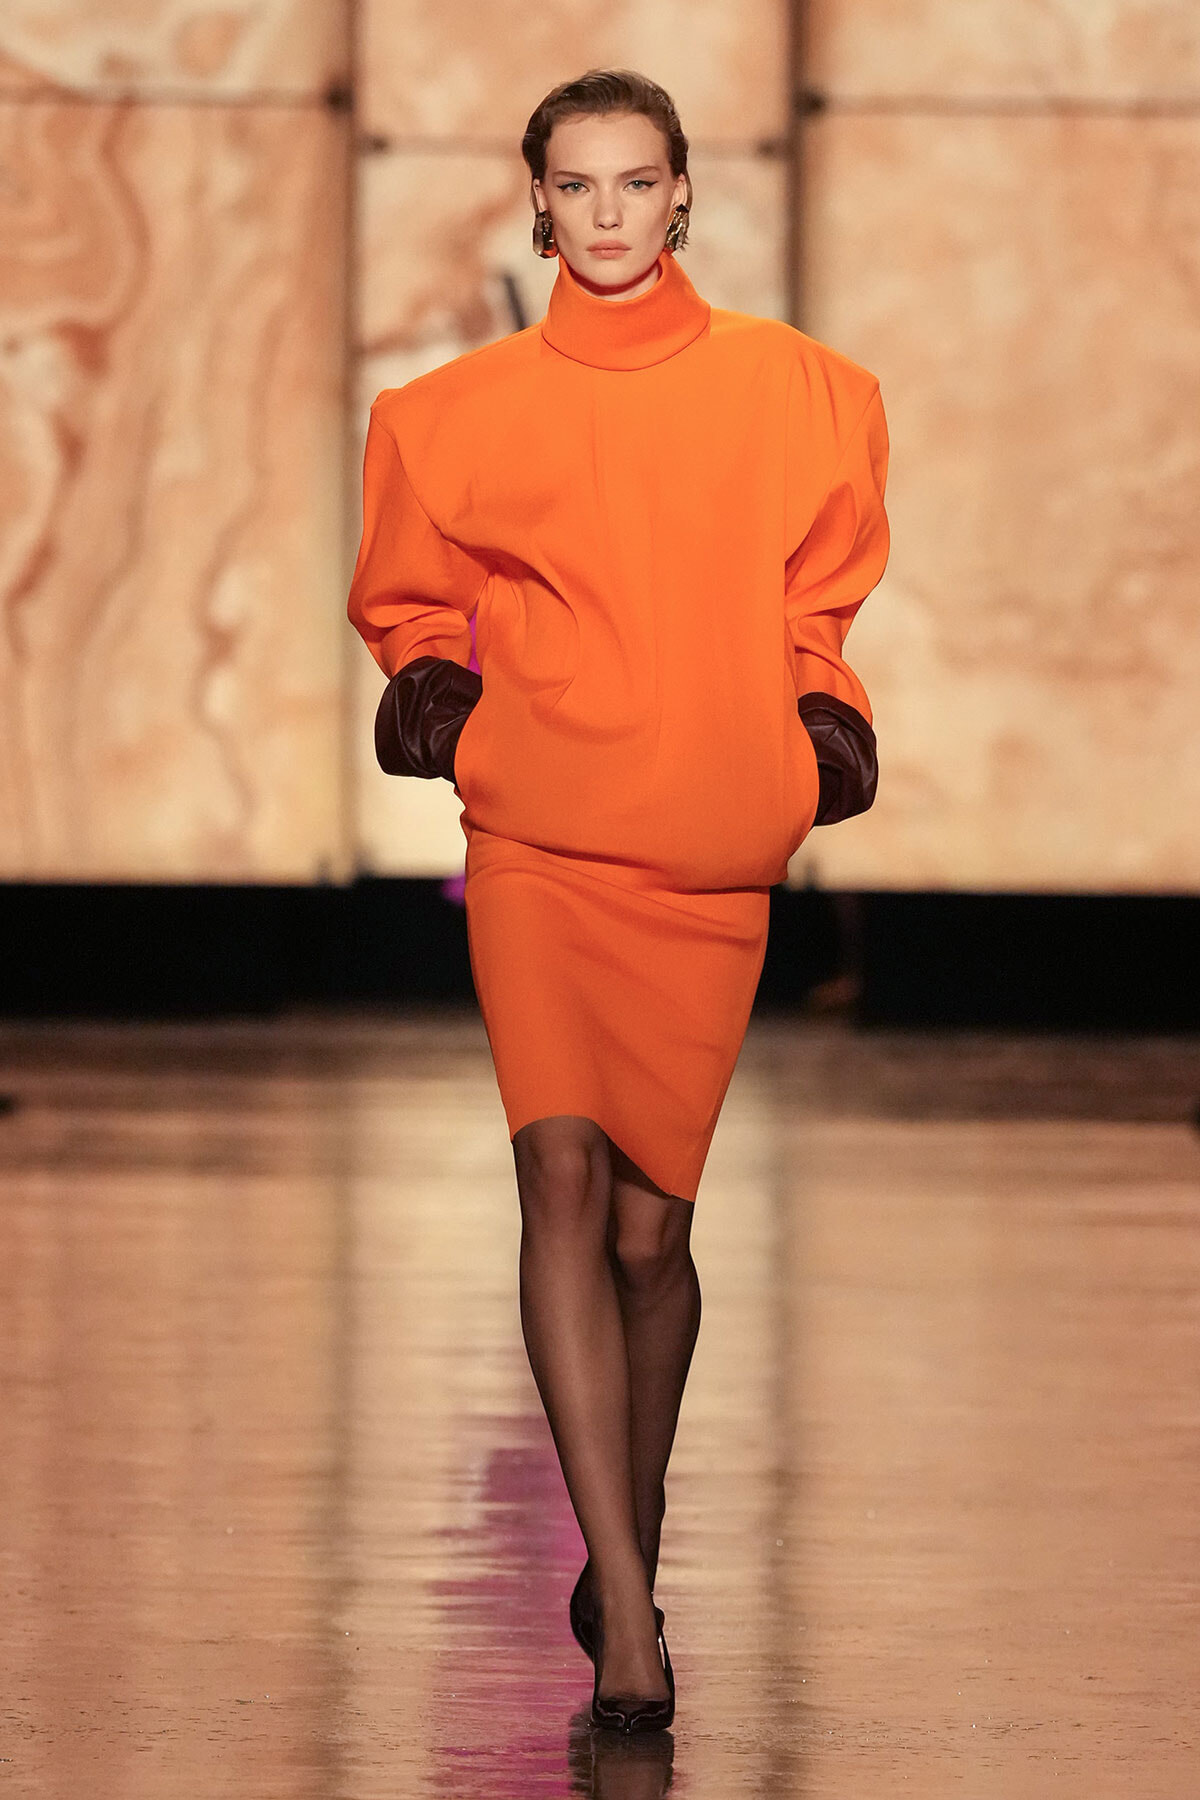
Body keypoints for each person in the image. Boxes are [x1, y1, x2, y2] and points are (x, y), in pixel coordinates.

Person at [347, 68, 890, 1733]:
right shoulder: (448, 416)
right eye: (575, 184)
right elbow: (410, 606)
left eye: (634, 182)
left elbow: (818, 608)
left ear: (680, 195)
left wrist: (820, 726)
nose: (605, 212)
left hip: (708, 842)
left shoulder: (804, 393)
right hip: (539, 836)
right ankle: (633, 1622)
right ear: (537, 201)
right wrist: (444, 700)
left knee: (656, 1238)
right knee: (561, 1176)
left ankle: (621, 1542)